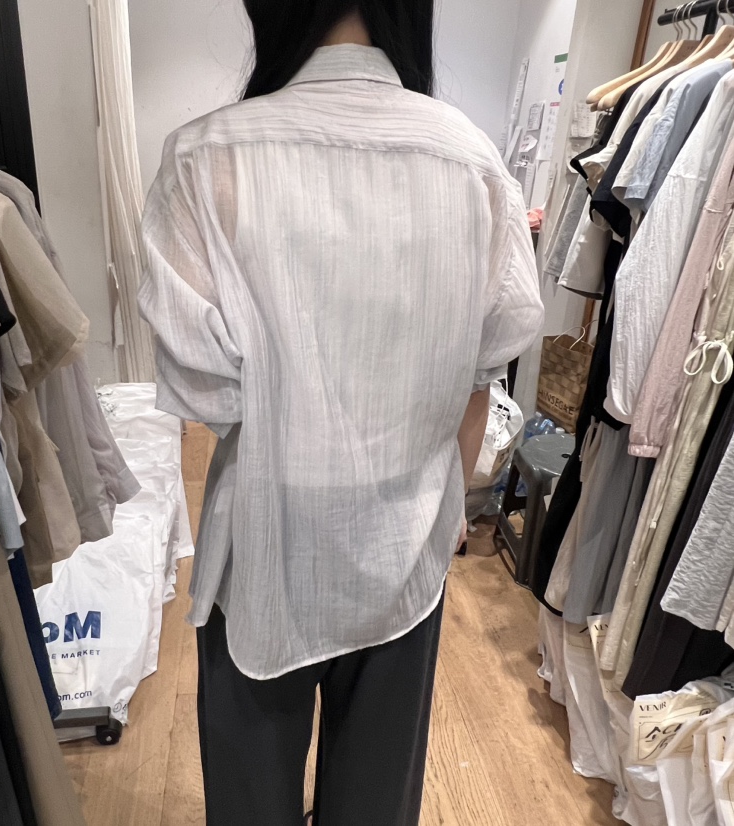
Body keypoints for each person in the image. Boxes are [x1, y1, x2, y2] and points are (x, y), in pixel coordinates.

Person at [138, 1, 543, 823]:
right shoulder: (473, 161)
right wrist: (443, 511)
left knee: (250, 806)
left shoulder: (206, 155)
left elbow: (203, 391)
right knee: (376, 806)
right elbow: (483, 370)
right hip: (405, 550)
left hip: (266, 549)